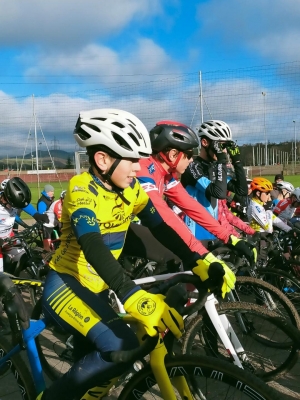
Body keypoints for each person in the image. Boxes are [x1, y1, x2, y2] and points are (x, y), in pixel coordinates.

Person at [36, 109, 244, 400]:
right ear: (103, 159)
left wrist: (198, 261)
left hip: (98, 287)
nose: (138, 168)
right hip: (67, 283)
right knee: (120, 346)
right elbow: (91, 243)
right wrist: (130, 292)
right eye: (132, 159)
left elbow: (161, 227)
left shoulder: (130, 189)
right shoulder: (80, 189)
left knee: (113, 361)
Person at [180, 120, 249, 242]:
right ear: (205, 142)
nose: (224, 151)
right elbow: (219, 193)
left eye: (225, 147)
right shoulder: (193, 168)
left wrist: (237, 161)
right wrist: (221, 161)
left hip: (212, 233)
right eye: (220, 146)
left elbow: (242, 190)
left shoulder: (214, 168)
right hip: (194, 234)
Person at [37, 184, 55, 251]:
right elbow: (41, 214)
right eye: (51, 191)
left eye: (53, 191)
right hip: (45, 224)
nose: (53, 192)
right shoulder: (42, 201)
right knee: (47, 244)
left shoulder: (50, 199)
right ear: (47, 192)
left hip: (51, 223)